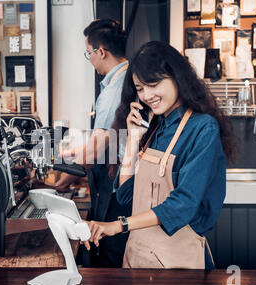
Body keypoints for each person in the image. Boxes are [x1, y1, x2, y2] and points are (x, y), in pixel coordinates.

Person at [82, 41, 238, 270]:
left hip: (177, 265)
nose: (147, 95)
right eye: (140, 88)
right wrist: (133, 139)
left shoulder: (203, 129)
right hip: (138, 258)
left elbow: (183, 205)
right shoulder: (157, 127)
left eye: (153, 84)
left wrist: (118, 225)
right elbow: (125, 195)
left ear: (177, 77)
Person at [50, 19, 132, 267]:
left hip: (117, 185)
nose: (90, 59)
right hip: (121, 180)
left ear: (101, 52)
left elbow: (95, 151)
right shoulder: (127, 79)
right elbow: (106, 139)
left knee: (108, 252)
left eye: (89, 53)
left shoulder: (113, 91)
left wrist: (60, 183)